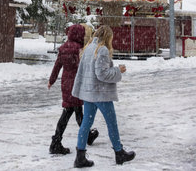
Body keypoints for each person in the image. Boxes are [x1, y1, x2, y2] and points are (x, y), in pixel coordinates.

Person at [72, 25, 136, 168]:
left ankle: (80, 157)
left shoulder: (89, 48)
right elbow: (102, 74)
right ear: (108, 37)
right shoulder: (102, 50)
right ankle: (119, 153)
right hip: (100, 94)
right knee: (111, 123)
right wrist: (118, 70)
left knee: (85, 124)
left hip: (89, 93)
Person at [48, 23, 99, 155]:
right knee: (70, 112)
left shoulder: (63, 48)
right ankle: (56, 142)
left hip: (66, 83)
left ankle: (86, 136)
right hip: (77, 83)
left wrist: (51, 80)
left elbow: (57, 66)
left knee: (75, 110)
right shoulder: (80, 49)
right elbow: (85, 67)